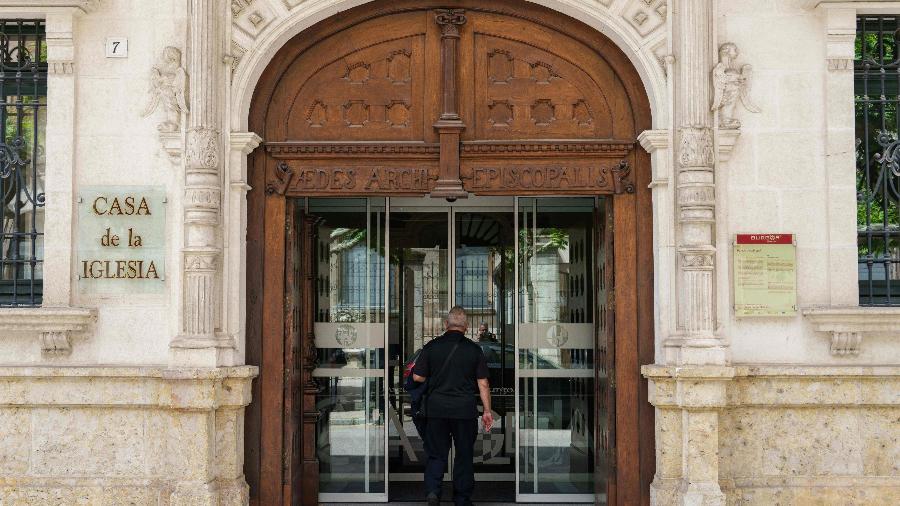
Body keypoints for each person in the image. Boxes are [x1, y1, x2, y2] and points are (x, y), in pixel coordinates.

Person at [413, 306, 493, 506]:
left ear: (446, 324)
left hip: (436, 410)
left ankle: (433, 491)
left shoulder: (431, 347)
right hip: (464, 411)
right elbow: (483, 383)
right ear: (466, 326)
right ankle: (462, 498)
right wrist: (487, 411)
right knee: (464, 455)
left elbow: (417, 376)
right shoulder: (474, 349)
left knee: (436, 453)